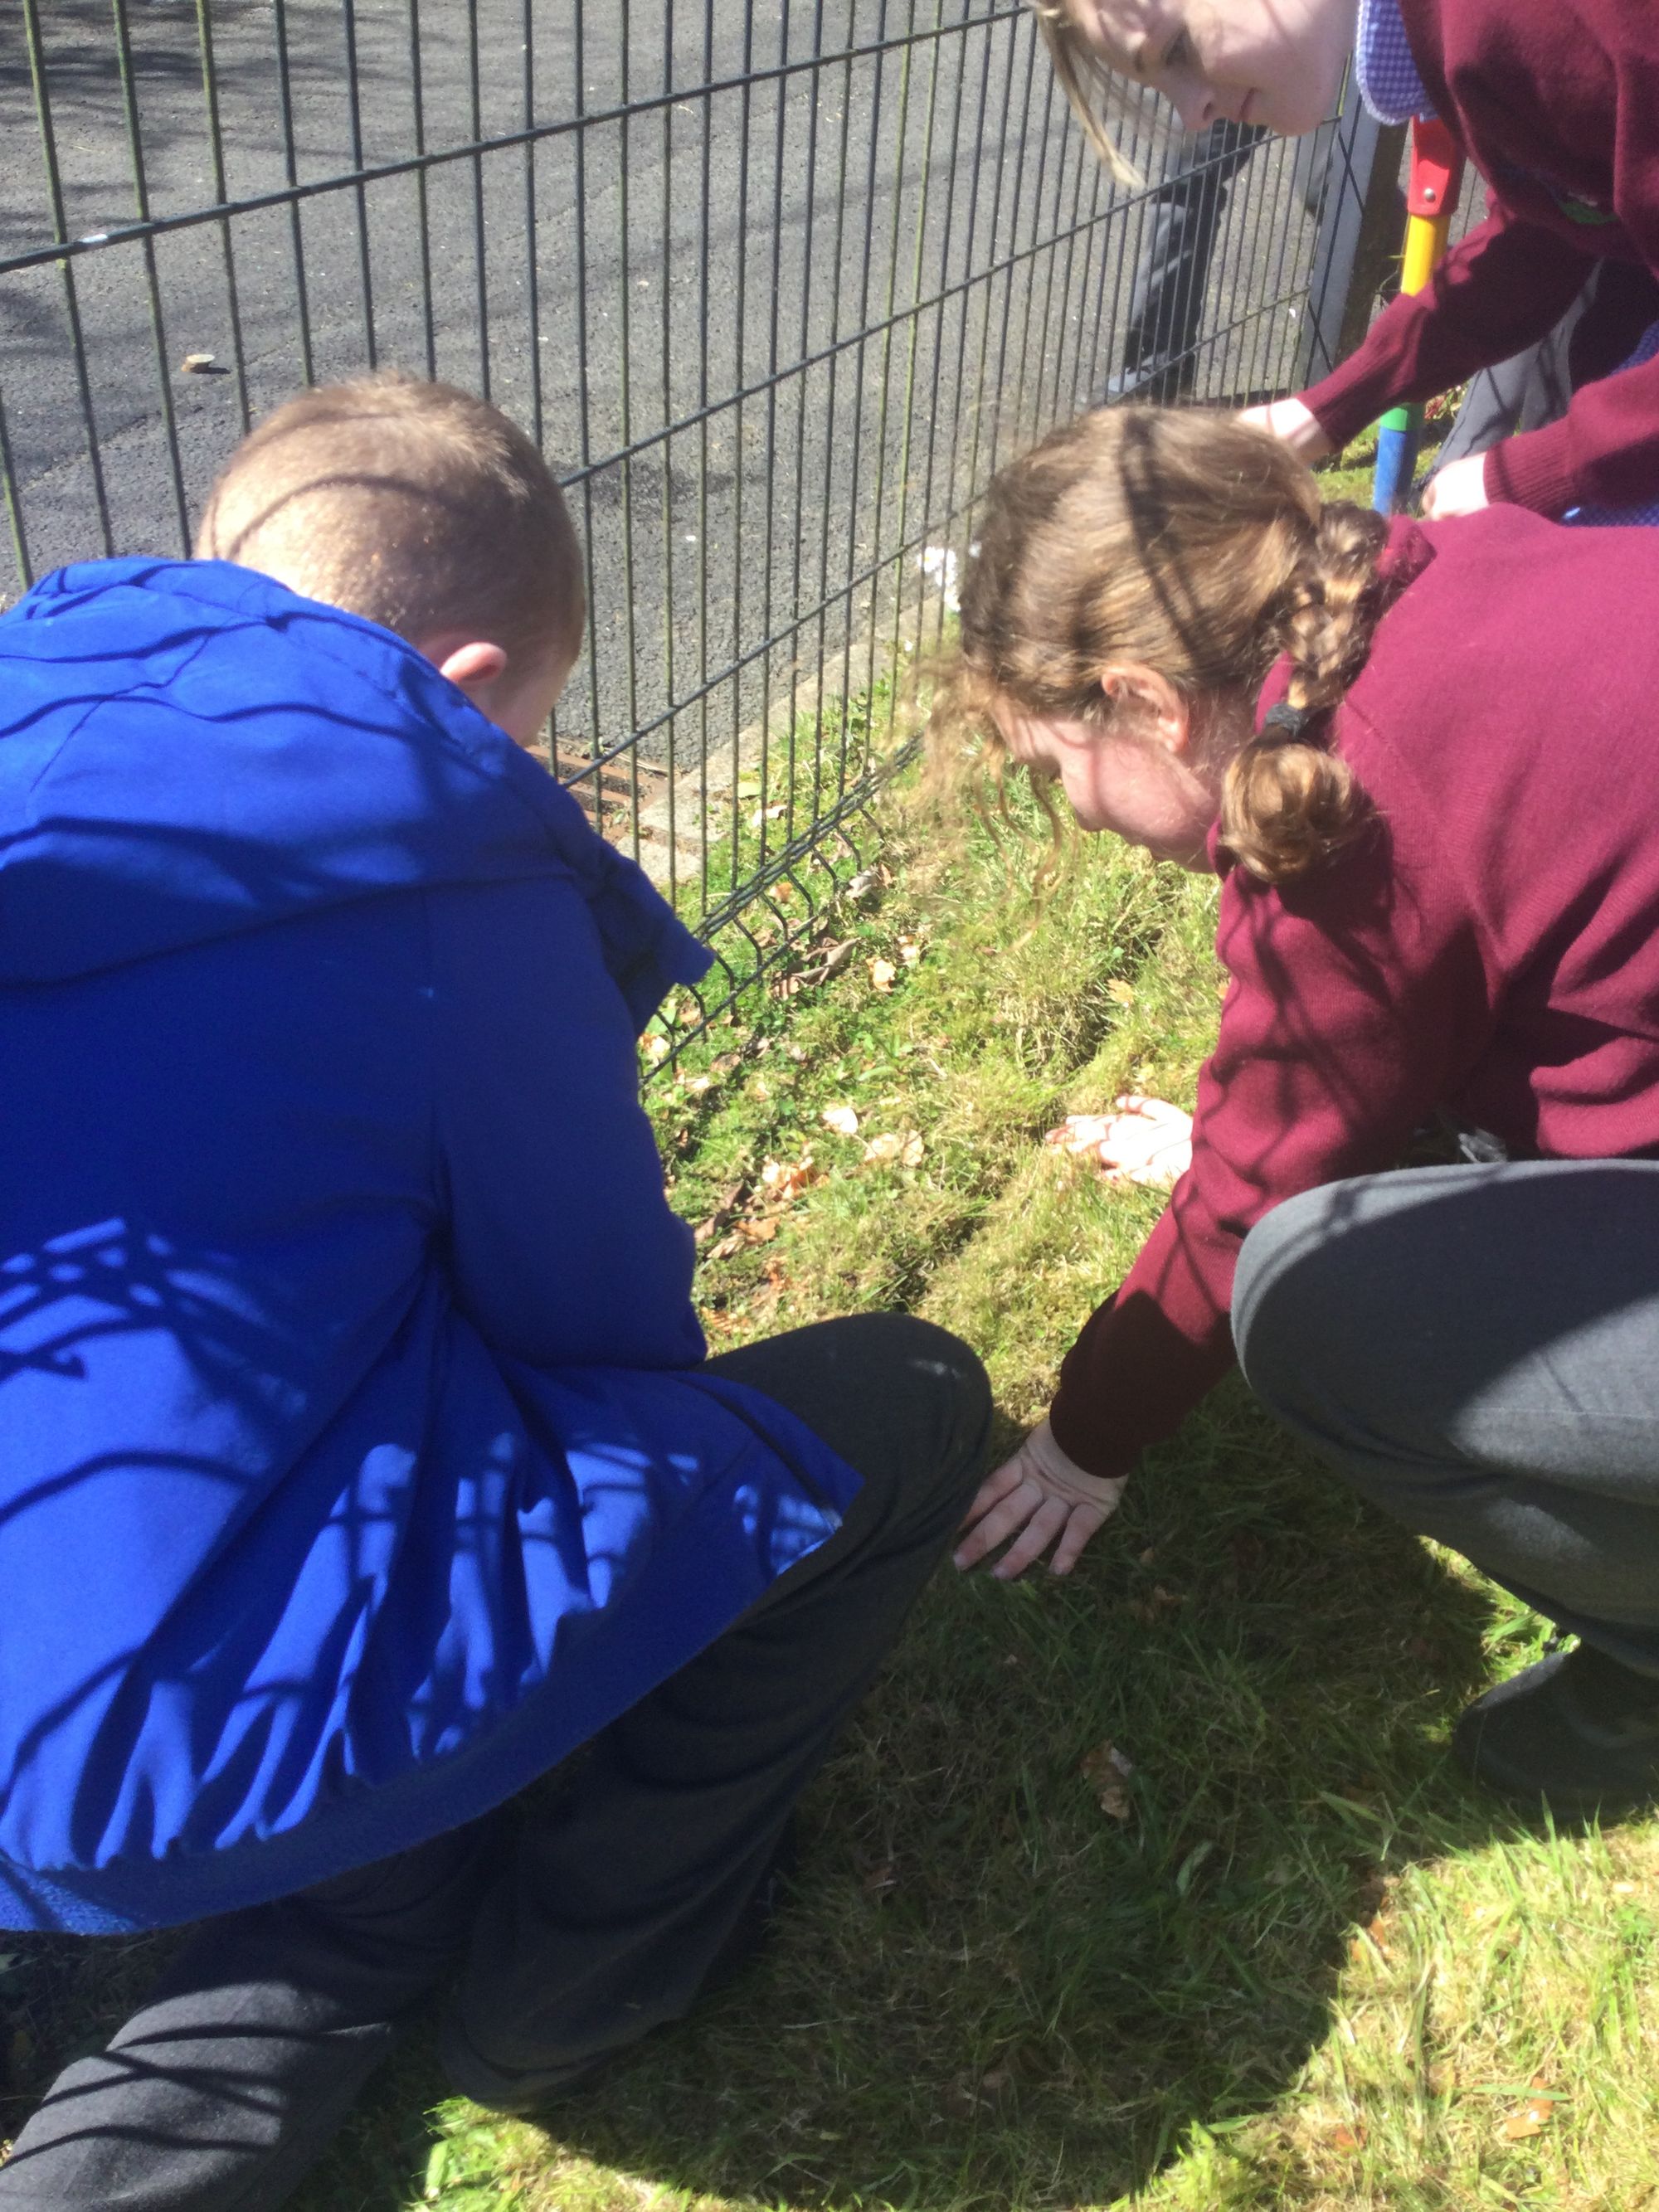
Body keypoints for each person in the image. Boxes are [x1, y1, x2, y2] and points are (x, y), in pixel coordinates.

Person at [0, 371, 990, 2209]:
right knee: (903, 1403)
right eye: (536, 733)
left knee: (295, 1844)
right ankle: (571, 1989)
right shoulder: (446, 853)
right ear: (466, 691)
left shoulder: (38, 725)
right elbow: (596, 1331)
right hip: (163, 1724)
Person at [932, 402, 1659, 1815]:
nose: (1074, 814)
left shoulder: (1352, 818)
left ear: (1143, 701)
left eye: (1056, 764)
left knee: (1310, 1304)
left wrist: (1085, 1442)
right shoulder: (1457, 565)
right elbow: (1383, 1040)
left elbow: (1260, 1195)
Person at [1030, 0, 1659, 523]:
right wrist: (1323, 411)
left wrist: (1535, 471)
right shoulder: (1456, 38)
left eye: (1177, 53)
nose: (1191, 113)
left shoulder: (1506, 21)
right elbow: (1554, 228)